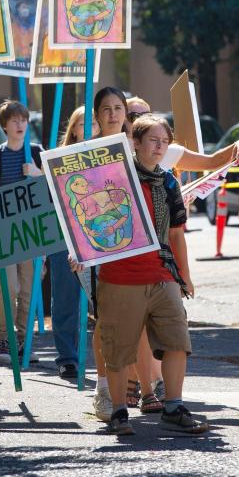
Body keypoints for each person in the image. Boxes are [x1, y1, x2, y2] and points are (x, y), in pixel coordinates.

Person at [71, 115, 206, 436]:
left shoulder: (169, 182)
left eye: (164, 141)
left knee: (177, 341)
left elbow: (176, 234)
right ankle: (119, 412)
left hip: (161, 273)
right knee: (117, 348)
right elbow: (82, 213)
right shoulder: (113, 176)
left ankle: (173, 406)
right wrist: (79, 249)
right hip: (118, 276)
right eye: (153, 141)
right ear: (136, 143)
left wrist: (184, 275)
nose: (159, 147)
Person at [0, 99, 44, 364]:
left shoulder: (35, 151)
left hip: (32, 228)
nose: (20, 124)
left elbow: (54, 183)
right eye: (14, 120)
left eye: (23, 119)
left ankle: (24, 340)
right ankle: (4, 337)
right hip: (4, 229)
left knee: (29, 289)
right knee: (8, 286)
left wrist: (37, 172)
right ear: (4, 126)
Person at [47, 106, 96, 381]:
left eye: (93, 123)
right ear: (73, 129)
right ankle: (66, 358)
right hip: (63, 235)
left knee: (102, 299)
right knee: (65, 298)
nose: (88, 128)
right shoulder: (57, 158)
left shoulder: (110, 155)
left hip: (97, 235)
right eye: (82, 123)